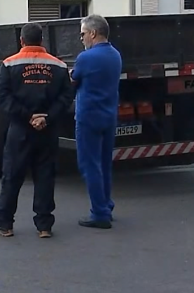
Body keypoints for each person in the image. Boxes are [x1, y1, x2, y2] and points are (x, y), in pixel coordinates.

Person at [0, 23, 73, 238]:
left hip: (20, 130)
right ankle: (44, 226)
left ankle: (4, 224)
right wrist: (47, 117)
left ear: (22, 41)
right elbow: (66, 97)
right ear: (42, 41)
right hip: (48, 129)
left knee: (12, 176)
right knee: (45, 176)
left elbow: (3, 97)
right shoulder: (59, 66)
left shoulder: (9, 64)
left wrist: (27, 116)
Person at [70, 15, 122, 229]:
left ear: (93, 33)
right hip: (108, 116)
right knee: (104, 164)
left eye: (83, 34)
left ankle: (99, 213)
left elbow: (73, 80)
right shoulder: (115, 55)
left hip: (88, 117)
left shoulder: (86, 58)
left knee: (89, 165)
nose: (81, 38)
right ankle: (106, 205)